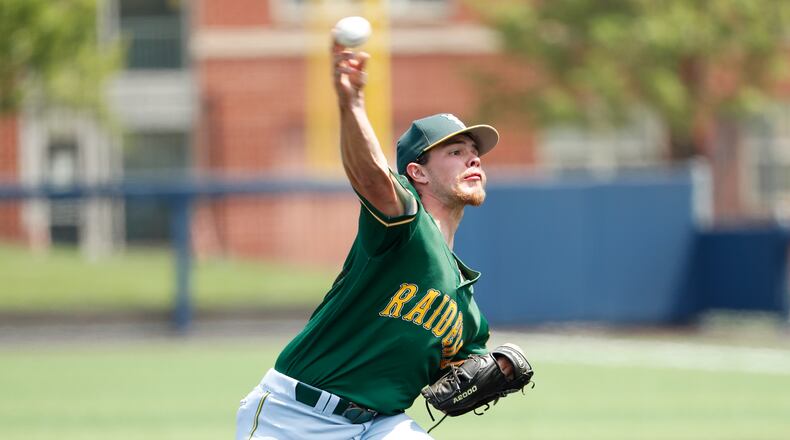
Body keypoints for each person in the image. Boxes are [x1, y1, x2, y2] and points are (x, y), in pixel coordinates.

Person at [235, 42, 515, 440]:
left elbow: (463, 376)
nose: (474, 160)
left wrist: (496, 369)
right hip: (294, 415)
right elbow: (369, 175)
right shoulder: (404, 225)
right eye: (456, 151)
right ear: (417, 173)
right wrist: (352, 104)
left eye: (475, 153)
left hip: (381, 425)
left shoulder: (468, 314)